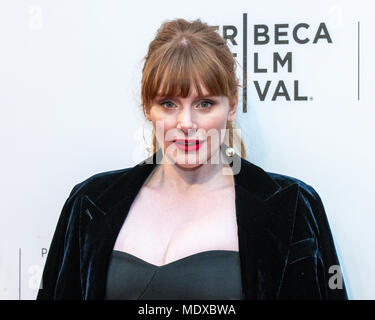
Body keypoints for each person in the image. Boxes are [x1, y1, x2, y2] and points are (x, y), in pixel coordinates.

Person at [37, 18, 348, 300]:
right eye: (169, 103)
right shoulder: (90, 203)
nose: (186, 123)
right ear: (148, 107)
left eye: (204, 103)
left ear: (232, 105)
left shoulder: (291, 208)